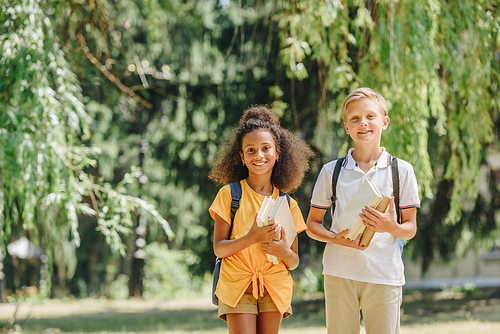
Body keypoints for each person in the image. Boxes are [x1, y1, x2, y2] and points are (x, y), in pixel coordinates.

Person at [306, 88, 420, 334]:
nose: (363, 123)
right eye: (355, 119)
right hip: (339, 272)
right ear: (346, 127)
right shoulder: (331, 172)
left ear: (385, 122)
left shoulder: (401, 171)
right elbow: (312, 224)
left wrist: (389, 226)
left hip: (384, 274)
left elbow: (410, 229)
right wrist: (332, 237)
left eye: (370, 116)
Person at [208, 105, 314, 333]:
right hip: (237, 283)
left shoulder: (288, 204)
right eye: (251, 150)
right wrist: (251, 237)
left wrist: (282, 250)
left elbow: (293, 262)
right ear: (242, 157)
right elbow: (219, 248)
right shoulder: (229, 195)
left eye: (266, 148)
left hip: (274, 285)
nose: (259, 155)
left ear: (277, 153)